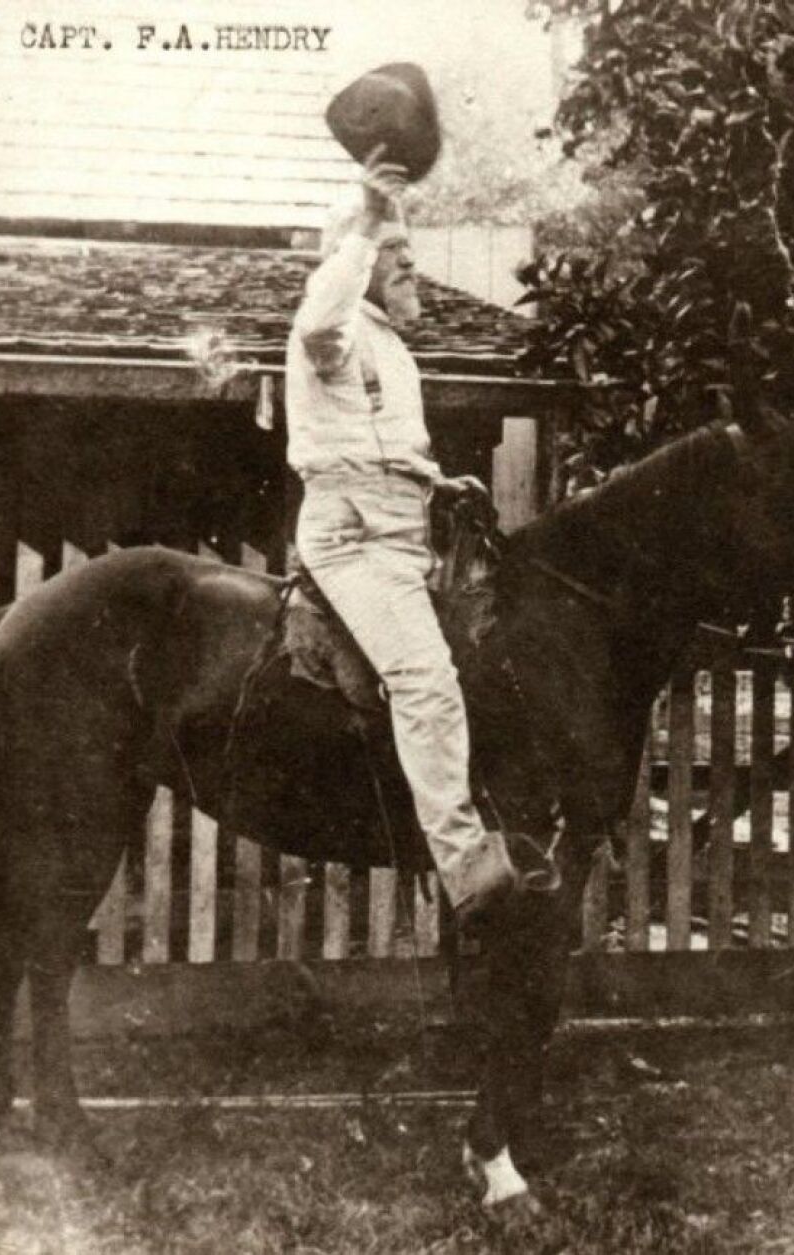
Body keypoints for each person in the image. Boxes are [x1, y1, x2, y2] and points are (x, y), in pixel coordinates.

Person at [285, 146, 518, 925]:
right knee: (426, 681)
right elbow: (321, 313)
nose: (413, 269)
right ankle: (467, 869)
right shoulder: (335, 329)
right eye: (401, 260)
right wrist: (367, 220)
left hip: (399, 528)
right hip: (352, 538)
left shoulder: (392, 350)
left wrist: (439, 481)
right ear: (363, 267)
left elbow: (383, 449)